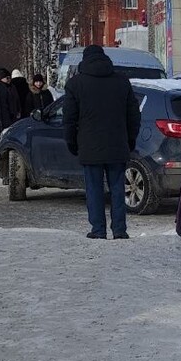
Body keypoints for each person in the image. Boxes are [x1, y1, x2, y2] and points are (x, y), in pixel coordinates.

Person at [63, 45, 141, 240]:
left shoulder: (75, 84)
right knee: (117, 188)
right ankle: (119, 229)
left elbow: (69, 118)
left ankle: (98, 229)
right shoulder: (121, 81)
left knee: (94, 189)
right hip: (117, 144)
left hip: (89, 146)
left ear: (84, 60)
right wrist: (131, 138)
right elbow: (133, 114)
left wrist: (71, 141)